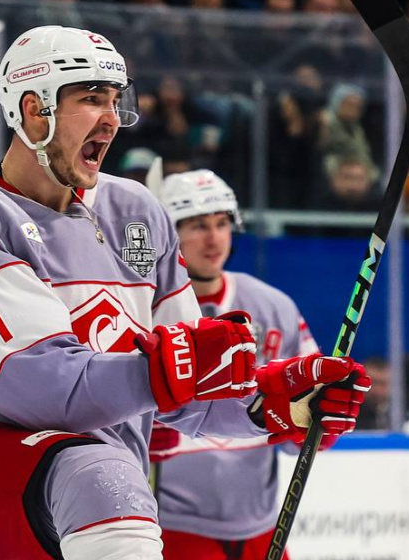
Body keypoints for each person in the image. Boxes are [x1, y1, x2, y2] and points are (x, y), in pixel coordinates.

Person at [0, 26, 369, 560]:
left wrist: (272, 403)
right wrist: (162, 375)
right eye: (91, 99)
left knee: (110, 477)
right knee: (103, 477)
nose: (112, 118)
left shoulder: (137, 210)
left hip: (105, 481)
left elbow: (191, 391)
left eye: (115, 100)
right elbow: (36, 386)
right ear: (35, 110)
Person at [146, 170, 358, 560]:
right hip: (172, 528)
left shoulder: (272, 306)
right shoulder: (146, 307)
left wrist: (319, 420)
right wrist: (140, 434)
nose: (214, 239)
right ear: (169, 234)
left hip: (262, 528)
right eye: (198, 226)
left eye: (222, 223)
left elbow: (307, 410)